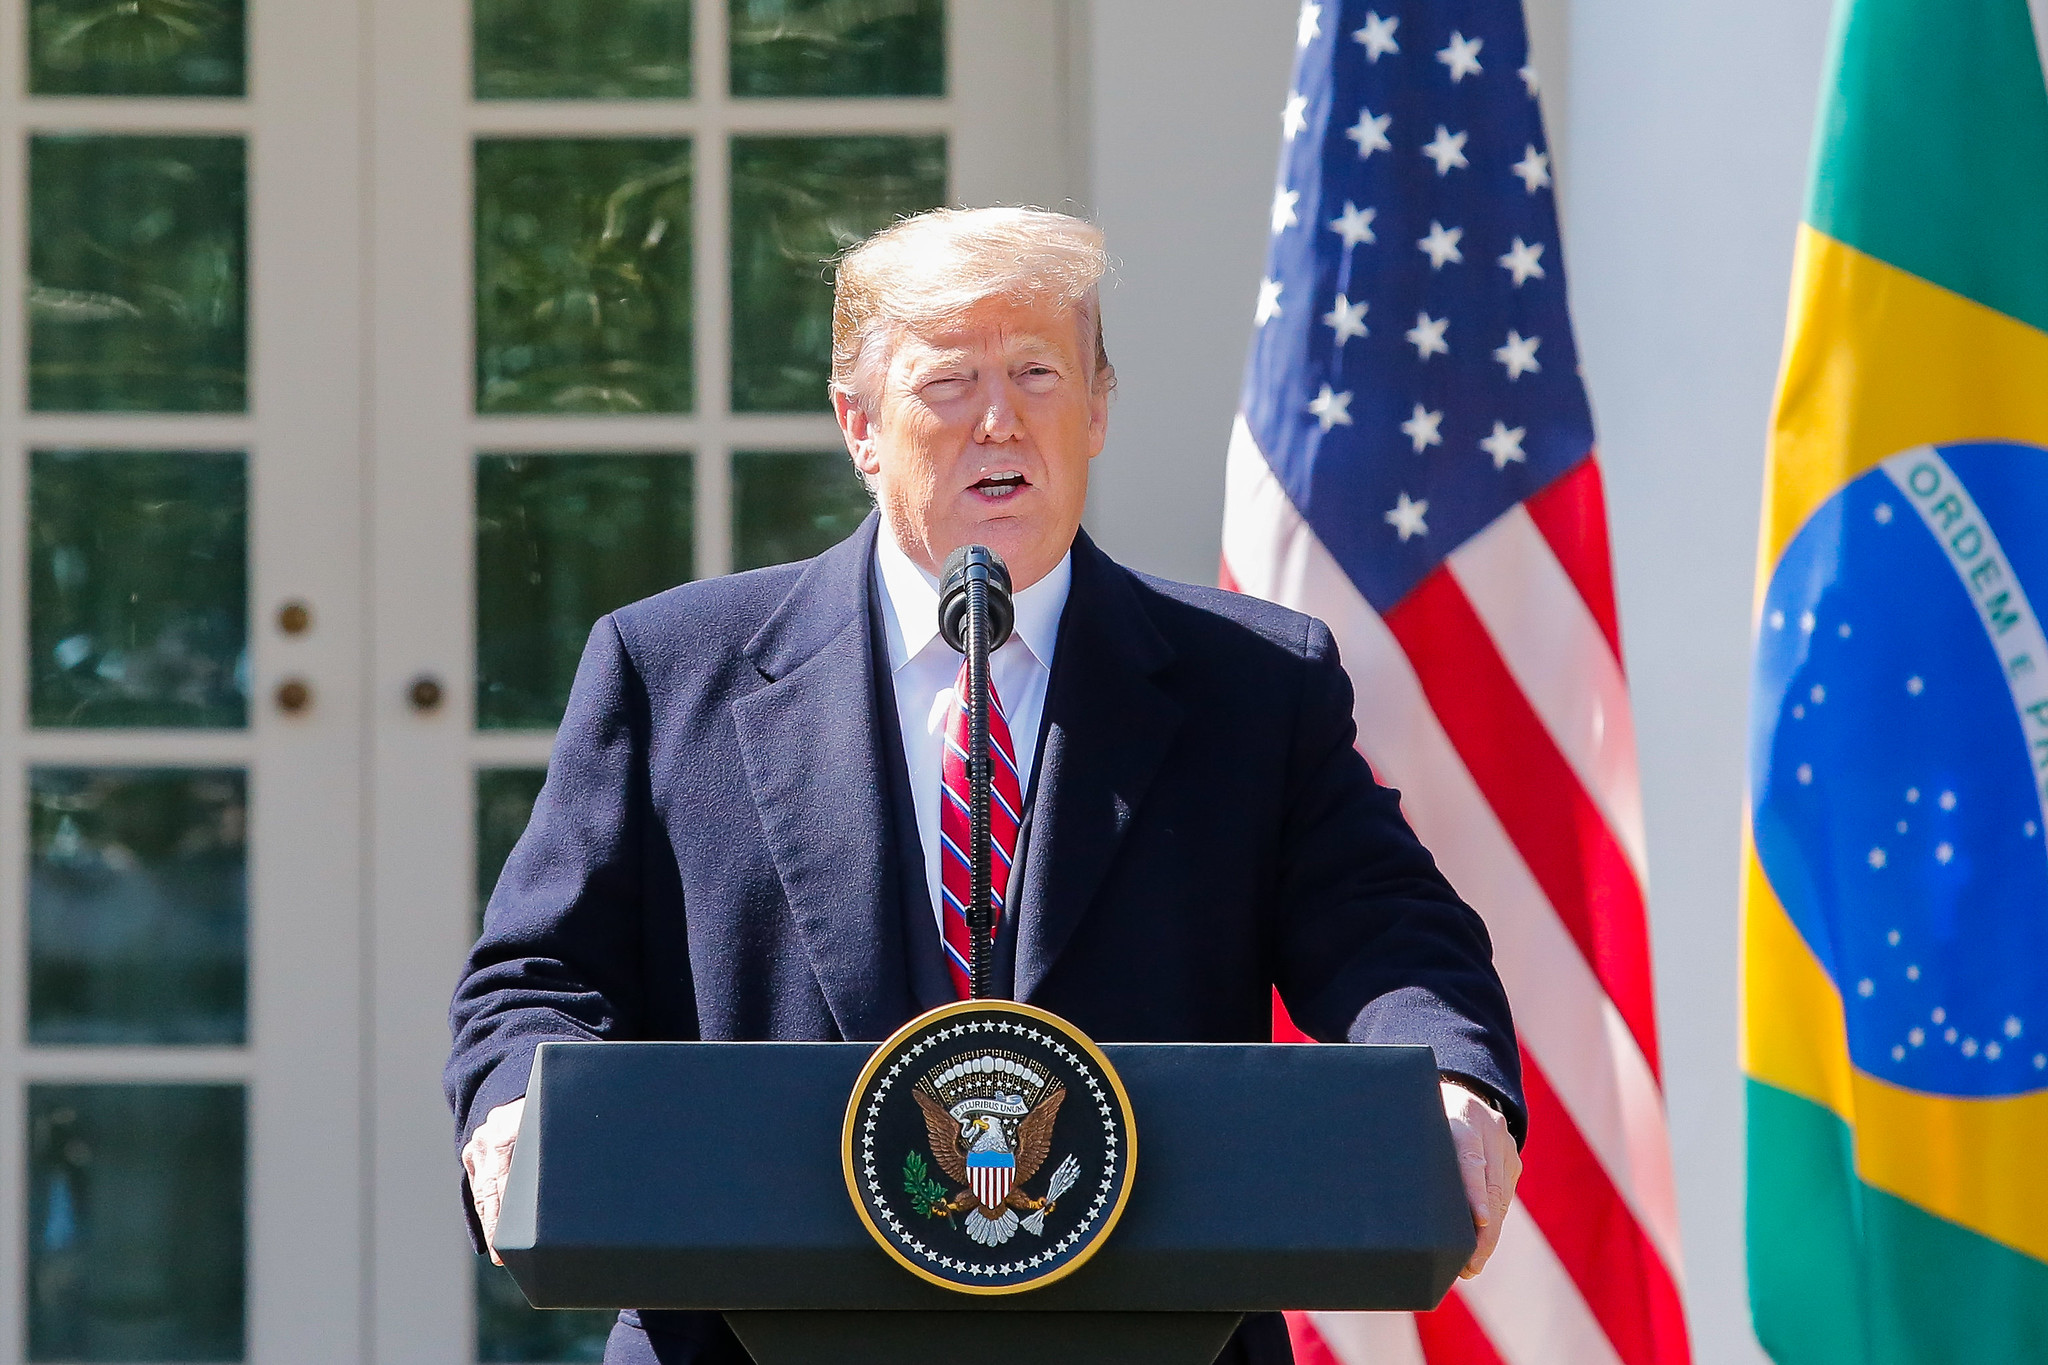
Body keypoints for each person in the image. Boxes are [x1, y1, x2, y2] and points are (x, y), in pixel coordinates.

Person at [447, 206, 1524, 1365]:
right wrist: (517, 1109)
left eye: (1036, 373)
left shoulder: (1254, 684)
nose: (999, 419)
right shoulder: (671, 670)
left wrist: (1452, 1076)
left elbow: (1391, 939)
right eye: (949, 382)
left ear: (1098, 407)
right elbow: (538, 977)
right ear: (859, 425)